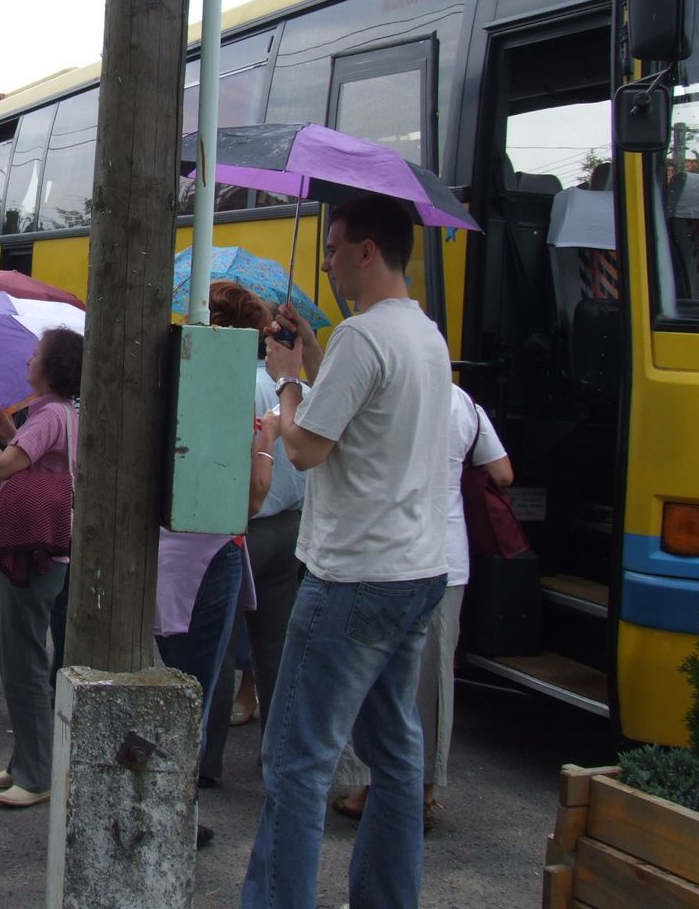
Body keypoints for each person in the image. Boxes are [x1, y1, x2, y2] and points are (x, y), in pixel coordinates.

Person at [242, 194, 452, 909]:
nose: (327, 263)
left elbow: (305, 447)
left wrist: (287, 377)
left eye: (333, 250)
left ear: (366, 250)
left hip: (352, 574)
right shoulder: (423, 333)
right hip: (416, 569)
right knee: (395, 755)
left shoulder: (364, 337)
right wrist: (311, 351)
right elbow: (361, 406)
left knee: (295, 761)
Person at [332, 383, 512, 827]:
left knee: (373, 672)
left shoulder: (388, 392)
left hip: (389, 553)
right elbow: (503, 473)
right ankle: (425, 788)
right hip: (448, 558)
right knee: (434, 679)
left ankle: (369, 786)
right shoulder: (464, 402)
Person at [0, 327, 84, 809]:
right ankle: (25, 762)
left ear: (51, 368)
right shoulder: (59, 412)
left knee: (24, 662)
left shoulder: (50, 413)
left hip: (30, 549)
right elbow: (35, 462)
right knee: (24, 658)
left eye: (36, 354)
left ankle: (36, 775)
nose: (28, 360)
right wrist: (9, 435)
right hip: (42, 549)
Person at [201, 282, 311, 786]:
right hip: (289, 527)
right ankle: (279, 760)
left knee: (217, 647)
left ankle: (207, 761)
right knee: (276, 651)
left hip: (239, 527)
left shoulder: (227, 383)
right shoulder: (289, 386)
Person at [154, 393, 276, 843]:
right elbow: (254, 498)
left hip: (172, 559)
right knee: (195, 694)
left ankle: (171, 806)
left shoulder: (168, 404)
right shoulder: (224, 408)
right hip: (206, 558)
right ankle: (176, 812)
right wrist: (268, 439)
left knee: (183, 686)